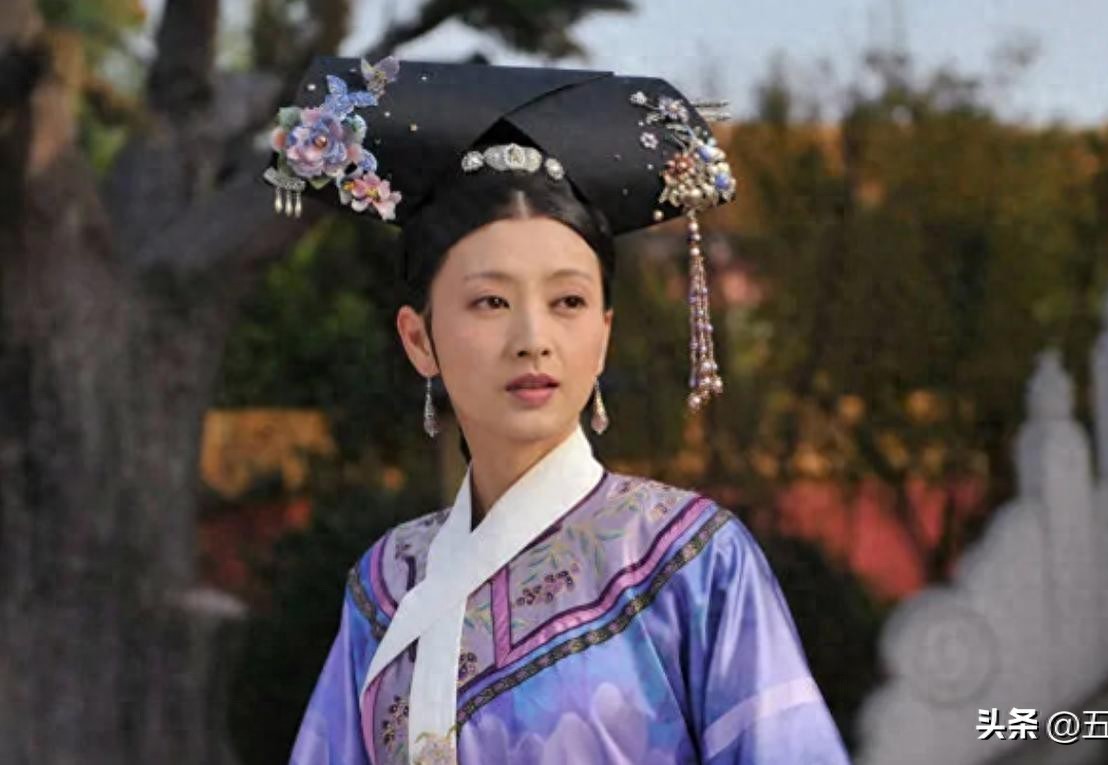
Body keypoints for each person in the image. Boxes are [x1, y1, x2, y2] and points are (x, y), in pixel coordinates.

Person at [268, 55, 850, 765]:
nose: (533, 339)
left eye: (567, 301)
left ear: (603, 334)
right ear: (419, 339)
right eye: (490, 301)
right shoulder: (387, 583)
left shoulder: (690, 562)